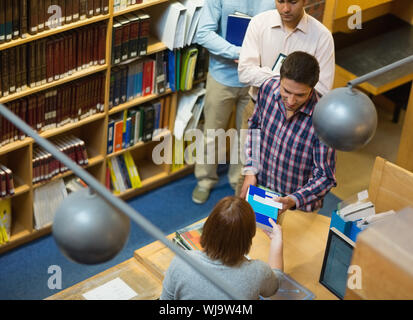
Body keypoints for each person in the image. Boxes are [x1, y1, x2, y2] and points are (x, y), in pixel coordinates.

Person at [235, 0, 335, 196]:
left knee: (288, 180)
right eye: (280, 1)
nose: (286, 8)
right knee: (248, 174)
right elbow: (245, 73)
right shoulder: (259, 23)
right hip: (258, 108)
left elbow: (322, 89)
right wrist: (284, 80)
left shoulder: (322, 37)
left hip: (300, 121)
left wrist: (281, 82)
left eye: (293, 1)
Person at [191, 0, 275, 204]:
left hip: (257, 78)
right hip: (222, 75)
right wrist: (238, 53)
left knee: (248, 135)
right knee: (212, 132)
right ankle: (205, 179)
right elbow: (203, 32)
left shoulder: (276, 2)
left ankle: (239, 181)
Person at [239, 51, 337, 215]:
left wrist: (293, 199)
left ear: (312, 88)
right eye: (286, 91)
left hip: (297, 208)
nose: (291, 101)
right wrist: (251, 170)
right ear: (280, 78)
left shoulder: (324, 118)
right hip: (261, 190)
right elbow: (255, 127)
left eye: (300, 95)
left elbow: (325, 177)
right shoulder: (268, 88)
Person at [160, 196, 283, 300]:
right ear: (249, 237)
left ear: (207, 228)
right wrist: (277, 242)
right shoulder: (259, 271)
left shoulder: (181, 261)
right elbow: (274, 286)